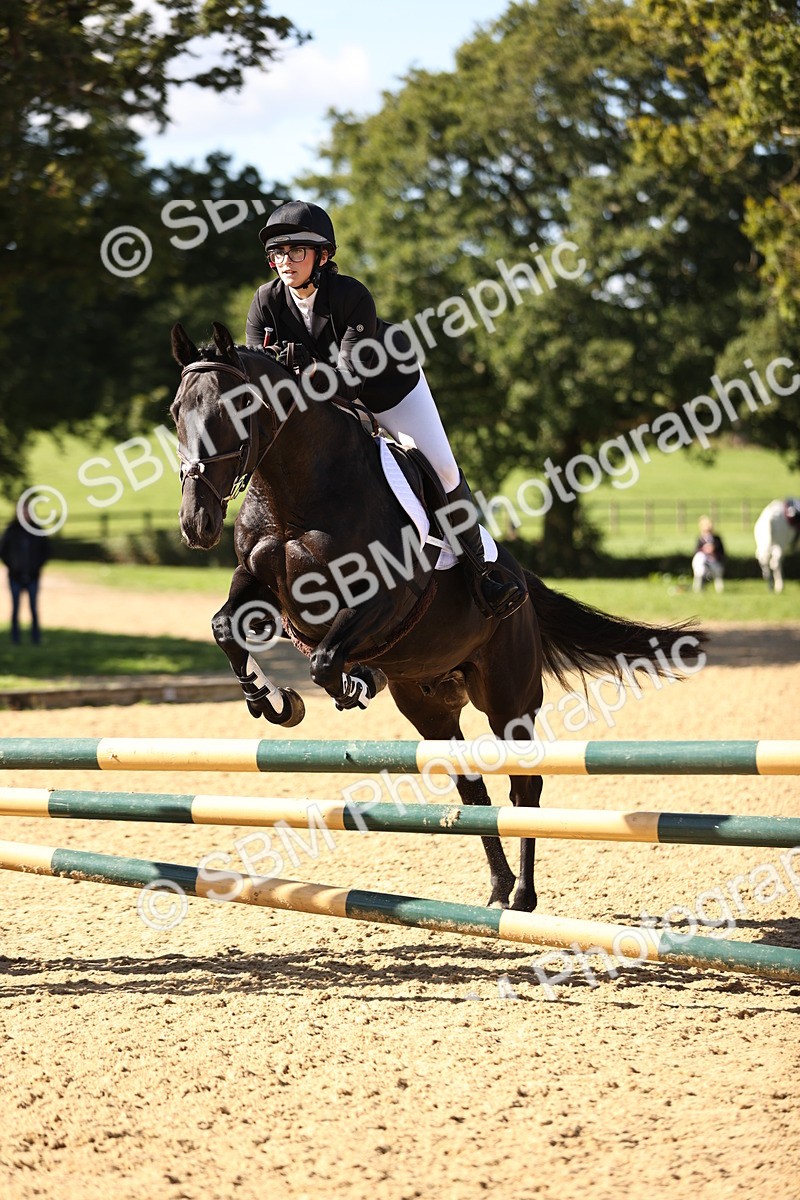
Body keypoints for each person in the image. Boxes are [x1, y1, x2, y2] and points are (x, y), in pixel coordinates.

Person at [245, 200, 527, 620]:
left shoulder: (351, 296)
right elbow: (260, 380)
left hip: (389, 391)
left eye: (296, 251)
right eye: (278, 253)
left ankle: (484, 574)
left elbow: (352, 381)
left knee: (442, 470)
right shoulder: (265, 301)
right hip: (323, 404)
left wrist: (305, 367)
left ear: (322, 256)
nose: (285, 261)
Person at [0, 502, 50, 644]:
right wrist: (12, 566)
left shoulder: (38, 530)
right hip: (15, 576)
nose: (25, 515)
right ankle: (15, 639)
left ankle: (36, 638)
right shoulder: (11, 530)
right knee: (15, 608)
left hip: (33, 576)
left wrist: (36, 567)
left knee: (33, 608)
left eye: (27, 512)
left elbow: (46, 551)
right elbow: (3, 551)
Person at [691, 515, 725, 593]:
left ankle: (719, 589)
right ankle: (698, 588)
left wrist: (713, 549)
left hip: (715, 562)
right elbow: (695, 552)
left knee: (717, 572)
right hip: (703, 563)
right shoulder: (700, 539)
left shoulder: (717, 539)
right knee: (700, 560)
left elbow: (722, 553)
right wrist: (704, 549)